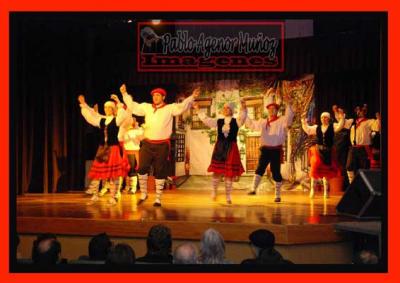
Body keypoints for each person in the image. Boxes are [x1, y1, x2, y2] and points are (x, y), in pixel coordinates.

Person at [121, 84, 199, 206]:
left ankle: (158, 198)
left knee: (160, 171)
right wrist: (125, 94)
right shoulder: (147, 107)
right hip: (147, 143)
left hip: (162, 144)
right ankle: (143, 194)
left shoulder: (169, 108)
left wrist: (192, 97)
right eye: (154, 95)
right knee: (141, 169)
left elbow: (182, 106)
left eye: (158, 95)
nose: (155, 97)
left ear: (163, 97)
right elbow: (133, 106)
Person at [78, 94, 130, 205]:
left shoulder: (116, 120)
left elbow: (123, 115)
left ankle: (112, 197)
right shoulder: (102, 120)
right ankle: (95, 195)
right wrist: (83, 104)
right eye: (105, 108)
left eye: (109, 108)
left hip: (113, 148)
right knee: (97, 173)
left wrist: (118, 102)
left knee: (112, 175)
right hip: (102, 148)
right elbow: (91, 116)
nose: (106, 109)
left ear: (113, 109)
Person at [244, 94, 294, 202]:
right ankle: (253, 188)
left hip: (275, 150)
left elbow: (289, 119)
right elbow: (252, 125)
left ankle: (277, 195)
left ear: (277, 111)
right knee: (260, 168)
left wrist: (289, 104)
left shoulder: (282, 120)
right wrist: (244, 112)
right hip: (265, 149)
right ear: (268, 111)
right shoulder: (263, 121)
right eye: (270, 109)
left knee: (276, 171)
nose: (272, 111)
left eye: (274, 109)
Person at [194, 101, 246, 204]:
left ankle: (228, 196)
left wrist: (243, 108)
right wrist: (198, 110)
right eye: (224, 108)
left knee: (229, 174)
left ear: (231, 110)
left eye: (228, 108)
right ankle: (214, 191)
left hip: (231, 147)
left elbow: (242, 117)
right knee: (217, 171)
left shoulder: (237, 121)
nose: (226, 110)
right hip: (220, 147)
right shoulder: (218, 121)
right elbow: (207, 120)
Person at [301, 110, 345, 198]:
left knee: (327, 171)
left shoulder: (332, 127)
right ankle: (312, 189)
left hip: (328, 151)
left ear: (328, 119)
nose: (323, 119)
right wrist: (303, 120)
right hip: (318, 150)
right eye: (322, 117)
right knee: (314, 167)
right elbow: (308, 130)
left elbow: (340, 126)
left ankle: (326, 191)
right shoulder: (317, 127)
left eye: (325, 117)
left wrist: (342, 117)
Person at [346, 104, 381, 183]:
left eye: (361, 110)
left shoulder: (369, 121)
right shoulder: (353, 123)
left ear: (365, 112)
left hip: (364, 148)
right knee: (349, 166)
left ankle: (365, 185)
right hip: (353, 147)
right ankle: (351, 183)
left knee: (364, 168)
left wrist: (378, 119)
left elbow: (378, 128)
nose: (360, 112)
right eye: (358, 110)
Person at [121, 116, 143, 194]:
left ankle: (133, 188)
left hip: (134, 152)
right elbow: (122, 139)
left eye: (132, 121)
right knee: (126, 170)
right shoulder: (125, 131)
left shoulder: (139, 130)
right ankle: (127, 187)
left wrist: (136, 130)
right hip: (126, 152)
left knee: (133, 170)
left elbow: (141, 138)